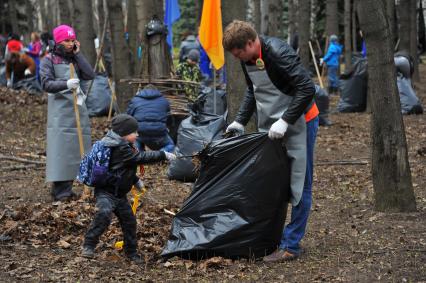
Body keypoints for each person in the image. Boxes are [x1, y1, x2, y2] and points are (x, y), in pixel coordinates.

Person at [223, 20, 319, 262]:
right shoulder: (248, 60)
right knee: (273, 180)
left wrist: (286, 120)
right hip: (273, 126)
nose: (239, 60)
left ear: (251, 42)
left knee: (300, 182)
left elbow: (307, 88)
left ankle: (291, 246)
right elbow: (253, 90)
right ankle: (270, 237)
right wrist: (240, 121)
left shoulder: (278, 53)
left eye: (240, 54)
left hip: (301, 122)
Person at [81, 114, 176, 263]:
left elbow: (123, 168)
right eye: (134, 132)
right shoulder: (119, 148)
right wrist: (162, 154)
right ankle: (89, 245)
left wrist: (136, 181)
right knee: (103, 215)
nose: (137, 135)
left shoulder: (124, 146)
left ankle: (131, 252)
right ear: (123, 134)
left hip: (120, 195)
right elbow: (139, 158)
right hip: (106, 192)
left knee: (129, 222)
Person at [40, 25, 95, 201]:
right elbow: (46, 84)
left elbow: (90, 74)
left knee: (77, 149)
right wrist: (65, 84)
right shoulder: (49, 59)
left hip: (77, 109)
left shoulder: (75, 59)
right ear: (58, 41)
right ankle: (60, 190)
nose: (70, 44)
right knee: (61, 150)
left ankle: (71, 186)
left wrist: (78, 54)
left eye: (73, 40)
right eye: (67, 41)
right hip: (60, 112)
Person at [126, 86, 175, 153]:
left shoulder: (135, 100)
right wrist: (169, 126)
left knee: (137, 143)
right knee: (170, 145)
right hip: (159, 131)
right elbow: (169, 117)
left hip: (140, 131)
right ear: (156, 91)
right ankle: (160, 155)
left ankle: (139, 157)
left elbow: (128, 116)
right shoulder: (164, 100)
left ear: (143, 91)